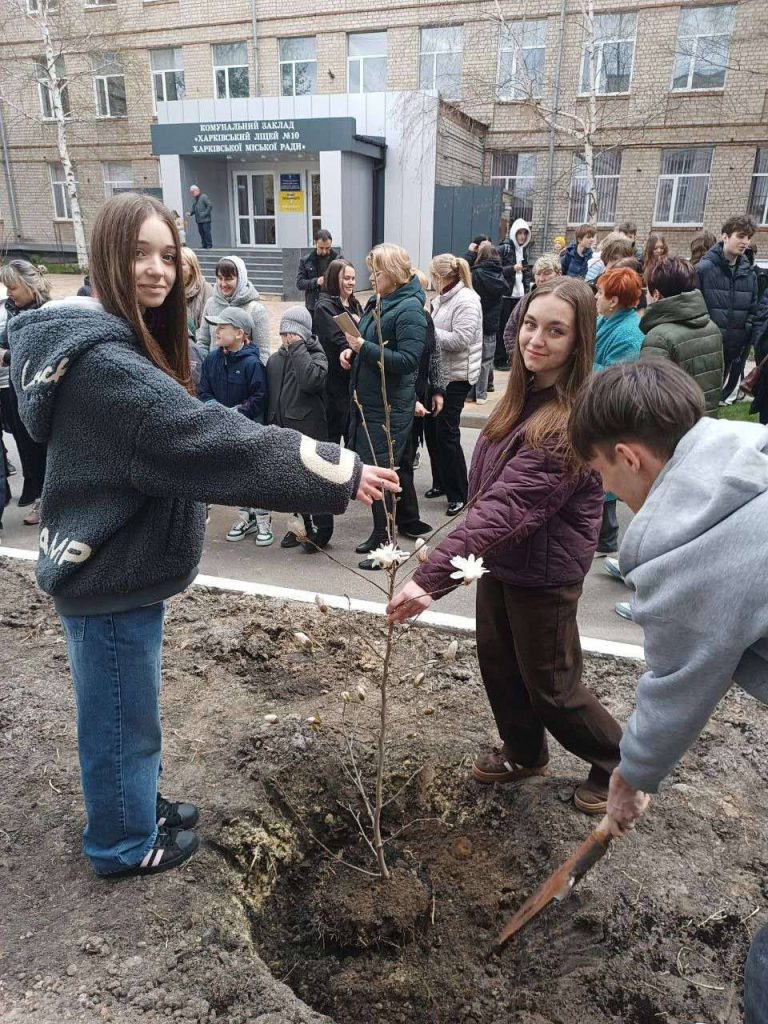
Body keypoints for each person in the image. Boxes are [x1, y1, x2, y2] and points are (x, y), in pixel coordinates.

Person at [6, 192, 397, 879]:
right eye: (137, 255)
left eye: (166, 254)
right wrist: (335, 467)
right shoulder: (106, 367)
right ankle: (122, 844)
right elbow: (206, 438)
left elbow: (190, 421)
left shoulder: (109, 344)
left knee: (129, 713)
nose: (156, 270)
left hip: (113, 563)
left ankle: (134, 805)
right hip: (109, 573)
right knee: (121, 720)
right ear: (104, 258)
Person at [567, 359, 768, 1012]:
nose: (607, 492)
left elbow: (676, 686)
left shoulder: (689, 549)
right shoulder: (748, 460)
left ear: (629, 457)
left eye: (600, 476)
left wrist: (632, 781)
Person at [388, 277, 622, 815]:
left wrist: (433, 577)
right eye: (531, 325)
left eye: (556, 331)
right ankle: (524, 752)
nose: (536, 340)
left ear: (579, 339)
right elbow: (487, 497)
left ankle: (618, 764)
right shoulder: (522, 395)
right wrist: (447, 550)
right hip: (496, 562)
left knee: (553, 685)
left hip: (544, 574)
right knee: (499, 664)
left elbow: (510, 506)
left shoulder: (570, 422)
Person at [342, 243, 426, 569]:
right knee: (374, 470)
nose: (371, 277)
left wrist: (364, 347)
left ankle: (388, 548)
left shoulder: (409, 310)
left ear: (392, 272)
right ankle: (379, 534)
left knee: (382, 474)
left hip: (390, 406)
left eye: (377, 271)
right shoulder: (380, 301)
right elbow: (368, 345)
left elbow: (407, 361)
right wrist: (352, 351)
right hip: (371, 402)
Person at [197, 307, 272, 547]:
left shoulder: (252, 363)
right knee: (235, 475)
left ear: (240, 333)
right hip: (223, 426)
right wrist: (217, 411)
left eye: (222, 327)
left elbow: (260, 396)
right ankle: (244, 516)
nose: (216, 331)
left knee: (254, 474)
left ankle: (263, 519)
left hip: (248, 427)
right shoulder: (211, 360)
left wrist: (237, 411)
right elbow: (203, 391)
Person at [266, 306, 334, 553]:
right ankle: (301, 528)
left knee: (316, 481)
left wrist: (298, 349)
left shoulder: (317, 356)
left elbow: (310, 381)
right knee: (293, 483)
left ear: (303, 335)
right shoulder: (275, 360)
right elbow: (271, 396)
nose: (286, 339)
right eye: (284, 334)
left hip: (310, 429)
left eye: (292, 335)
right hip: (283, 430)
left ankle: (323, 529)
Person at [593, 267, 645, 556]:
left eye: (600, 292)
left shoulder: (628, 333)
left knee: (607, 475)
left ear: (613, 300)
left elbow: (618, 378)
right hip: (598, 411)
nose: (596, 297)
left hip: (612, 416)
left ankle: (607, 538)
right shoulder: (607, 320)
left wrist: (581, 366)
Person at [426, 253, 483, 516]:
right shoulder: (441, 298)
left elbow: (460, 340)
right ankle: (442, 483)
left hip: (457, 377)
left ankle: (461, 492)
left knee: (447, 435)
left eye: (432, 277)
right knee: (434, 433)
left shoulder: (467, 300)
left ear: (441, 277)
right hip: (440, 374)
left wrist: (426, 330)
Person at [0, 259, 50, 525]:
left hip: (39, 392)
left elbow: (41, 353)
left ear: (30, 285)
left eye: (13, 287)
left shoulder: (48, 312)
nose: (9, 293)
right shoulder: (13, 310)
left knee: (42, 450)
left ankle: (47, 501)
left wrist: (7, 355)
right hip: (16, 390)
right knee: (26, 449)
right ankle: (39, 495)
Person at [639, 256, 724, 415]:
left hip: (672, 430)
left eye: (647, 291)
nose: (646, 296)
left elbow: (649, 398)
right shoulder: (712, 328)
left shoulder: (658, 338)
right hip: (705, 423)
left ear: (656, 294)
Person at [695, 215, 759, 404]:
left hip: (731, 350)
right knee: (696, 402)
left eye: (748, 237)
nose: (745, 242)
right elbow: (694, 307)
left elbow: (752, 310)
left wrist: (743, 335)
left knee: (713, 403)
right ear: (725, 236)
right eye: (740, 236)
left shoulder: (749, 274)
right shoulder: (703, 269)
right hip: (704, 350)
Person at [312, 258, 363, 445]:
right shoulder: (324, 306)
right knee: (334, 435)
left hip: (353, 379)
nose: (351, 282)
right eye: (346, 278)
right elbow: (337, 339)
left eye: (353, 278)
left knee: (353, 436)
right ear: (335, 279)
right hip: (335, 381)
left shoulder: (355, 304)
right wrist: (357, 328)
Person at [196, 255, 270, 363]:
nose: (223, 283)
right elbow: (203, 342)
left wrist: (256, 375)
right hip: (215, 374)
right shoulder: (210, 303)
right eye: (220, 278)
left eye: (229, 279)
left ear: (241, 279)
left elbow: (263, 351)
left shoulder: (256, 310)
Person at [503, 253, 562, 360]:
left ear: (559, 274)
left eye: (547, 273)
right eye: (538, 274)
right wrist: (518, 357)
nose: (542, 278)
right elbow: (510, 330)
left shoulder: (566, 302)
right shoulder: (526, 300)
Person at [470, 242, 509, 404]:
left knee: (472, 358)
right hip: (491, 323)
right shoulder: (499, 275)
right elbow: (505, 289)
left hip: (475, 320)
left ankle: (471, 392)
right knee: (486, 360)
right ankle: (481, 394)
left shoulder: (474, 274)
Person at [496, 218, 533, 369]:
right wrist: (513, 268)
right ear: (514, 233)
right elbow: (496, 270)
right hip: (506, 295)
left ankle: (511, 358)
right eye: (520, 233)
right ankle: (499, 360)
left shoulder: (524, 251)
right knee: (503, 328)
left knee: (516, 328)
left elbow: (526, 273)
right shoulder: (504, 248)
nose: (522, 236)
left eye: (525, 233)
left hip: (519, 295)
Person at [297, 229, 340, 314]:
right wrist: (316, 281)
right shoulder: (306, 261)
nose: (324, 251)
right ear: (315, 243)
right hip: (313, 308)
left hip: (332, 306)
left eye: (328, 248)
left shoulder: (338, 260)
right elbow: (300, 284)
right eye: (321, 248)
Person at [180, 246, 213, 340]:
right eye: (174, 263)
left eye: (181, 264)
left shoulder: (206, 289)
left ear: (192, 269)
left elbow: (208, 328)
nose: (176, 267)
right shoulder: (167, 289)